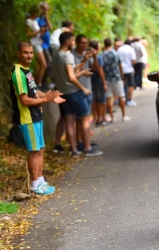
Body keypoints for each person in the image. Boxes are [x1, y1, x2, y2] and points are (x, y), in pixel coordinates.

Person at [9, 41, 65, 195]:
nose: (29, 56)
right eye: (26, 53)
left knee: (40, 149)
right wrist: (46, 100)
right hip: (27, 118)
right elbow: (25, 100)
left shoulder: (27, 71)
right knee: (34, 151)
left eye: (31, 53)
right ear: (18, 54)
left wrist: (49, 95)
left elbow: (34, 91)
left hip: (36, 115)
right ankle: (34, 184)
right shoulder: (18, 73)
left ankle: (41, 180)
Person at [52, 32, 103, 157]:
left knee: (69, 120)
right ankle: (87, 148)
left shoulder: (55, 55)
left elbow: (68, 72)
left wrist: (81, 65)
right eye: (73, 41)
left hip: (63, 93)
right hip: (74, 92)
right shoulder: (68, 56)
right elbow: (71, 77)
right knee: (85, 118)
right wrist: (83, 88)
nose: (73, 43)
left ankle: (74, 150)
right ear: (68, 41)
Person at [102, 38, 130, 122]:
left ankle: (112, 117)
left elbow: (101, 68)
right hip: (117, 78)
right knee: (121, 96)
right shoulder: (116, 54)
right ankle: (123, 115)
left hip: (107, 79)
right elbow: (120, 66)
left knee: (109, 98)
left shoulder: (102, 55)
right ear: (111, 44)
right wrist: (122, 77)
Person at [26, 5, 47, 87]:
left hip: (38, 43)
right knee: (43, 64)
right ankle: (38, 83)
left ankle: (33, 82)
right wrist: (38, 31)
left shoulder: (35, 21)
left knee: (39, 65)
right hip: (34, 44)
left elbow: (37, 34)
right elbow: (28, 34)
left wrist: (42, 32)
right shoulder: (28, 21)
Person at [89, 40, 108, 126]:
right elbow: (100, 70)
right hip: (98, 81)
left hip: (91, 81)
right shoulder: (98, 57)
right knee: (101, 101)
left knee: (95, 100)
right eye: (99, 45)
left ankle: (96, 117)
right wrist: (104, 82)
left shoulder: (88, 56)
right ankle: (100, 118)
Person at [36, 2, 52, 88]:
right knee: (47, 63)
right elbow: (38, 32)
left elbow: (50, 27)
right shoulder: (37, 19)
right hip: (40, 44)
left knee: (41, 65)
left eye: (46, 10)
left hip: (47, 44)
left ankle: (39, 81)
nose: (45, 11)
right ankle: (41, 82)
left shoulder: (44, 18)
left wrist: (47, 18)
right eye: (43, 9)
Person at [117, 38, 137, 106]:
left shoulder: (119, 49)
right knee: (131, 85)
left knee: (123, 84)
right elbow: (133, 61)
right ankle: (129, 100)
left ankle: (122, 99)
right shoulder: (131, 49)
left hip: (121, 69)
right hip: (129, 70)